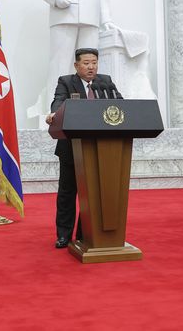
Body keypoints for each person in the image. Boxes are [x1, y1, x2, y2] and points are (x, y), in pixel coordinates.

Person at [45, 48, 122, 248]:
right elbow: (58, 101)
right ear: (77, 65)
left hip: (101, 148)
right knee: (67, 192)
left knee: (94, 193)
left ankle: (83, 233)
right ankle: (64, 234)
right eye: (86, 63)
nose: (91, 67)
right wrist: (55, 114)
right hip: (72, 147)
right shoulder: (66, 81)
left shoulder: (105, 81)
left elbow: (119, 103)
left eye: (94, 62)